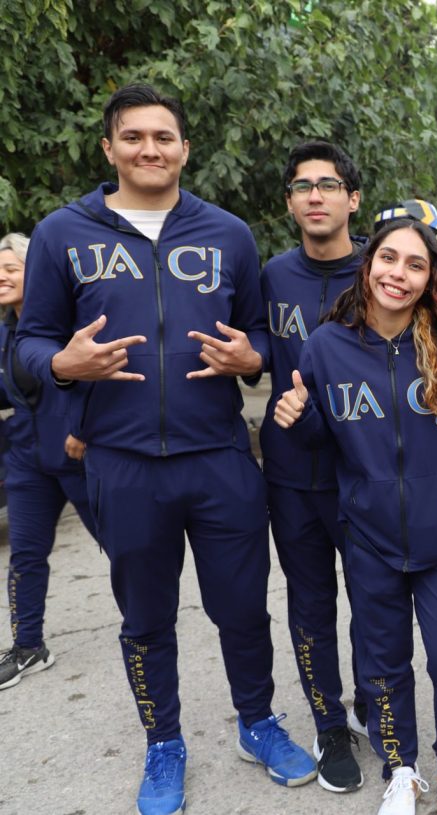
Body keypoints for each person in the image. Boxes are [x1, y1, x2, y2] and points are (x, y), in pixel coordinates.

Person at [15, 83, 316, 815]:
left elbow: (262, 335)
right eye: (133, 137)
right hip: (120, 464)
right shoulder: (61, 234)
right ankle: (164, 742)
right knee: (145, 618)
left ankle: (256, 721)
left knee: (243, 608)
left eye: (163, 137)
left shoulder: (228, 234)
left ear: (185, 148)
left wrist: (254, 357)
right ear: (109, 148)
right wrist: (62, 366)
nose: (149, 149)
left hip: (219, 457)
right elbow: (27, 345)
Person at [274, 219, 437, 815]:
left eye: (416, 265)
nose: (398, 273)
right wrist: (298, 418)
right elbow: (324, 438)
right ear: (368, 266)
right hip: (369, 538)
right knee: (384, 668)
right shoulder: (325, 346)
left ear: (430, 278)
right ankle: (401, 768)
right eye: (388, 258)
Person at [259, 140, 368, 793]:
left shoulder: (383, 271)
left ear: (353, 199)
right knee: (310, 605)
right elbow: (249, 347)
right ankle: (329, 723)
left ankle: (374, 704)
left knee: (374, 601)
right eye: (303, 186)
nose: (316, 196)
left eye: (329, 185)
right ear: (290, 202)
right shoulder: (272, 275)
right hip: (292, 477)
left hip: (366, 473)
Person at [0, 232, 99, 691]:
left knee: (125, 546)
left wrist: (84, 429)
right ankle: (28, 646)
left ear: (35, 272)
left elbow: (101, 378)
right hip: (26, 459)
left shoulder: (70, 325)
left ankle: (149, 621)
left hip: (77, 451)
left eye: (10, 269)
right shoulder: (5, 333)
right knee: (25, 553)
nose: (1, 278)